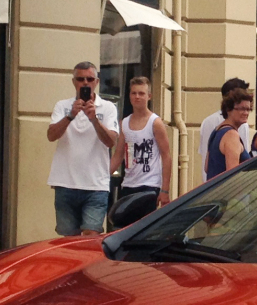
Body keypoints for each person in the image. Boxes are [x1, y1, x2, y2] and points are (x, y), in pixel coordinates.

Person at [47, 61, 120, 236]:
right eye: (80, 79)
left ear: (97, 81)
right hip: (65, 182)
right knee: (68, 242)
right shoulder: (62, 106)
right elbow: (51, 135)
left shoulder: (108, 108)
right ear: (74, 82)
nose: (85, 83)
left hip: (95, 185)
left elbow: (110, 141)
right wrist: (70, 116)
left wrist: (94, 119)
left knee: (90, 238)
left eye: (90, 79)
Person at [110, 76, 172, 210]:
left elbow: (166, 156)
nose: (137, 97)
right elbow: (118, 155)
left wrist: (165, 190)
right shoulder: (124, 123)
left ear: (149, 96)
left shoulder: (155, 123)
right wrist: (102, 176)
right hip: (128, 184)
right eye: (134, 93)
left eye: (141, 93)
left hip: (149, 185)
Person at [200, 77, 250, 172]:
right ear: (228, 109)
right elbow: (232, 175)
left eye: (248, 109)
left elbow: (206, 168)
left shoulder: (216, 131)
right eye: (241, 109)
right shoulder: (232, 135)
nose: (246, 113)